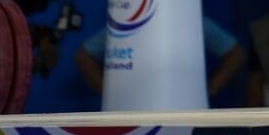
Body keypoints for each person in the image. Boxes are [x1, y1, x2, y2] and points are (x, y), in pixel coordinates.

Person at [74, 16, 245, 101]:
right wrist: (112, 96)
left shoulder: (191, 20)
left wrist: (210, 89)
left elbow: (235, 54)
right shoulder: (130, 22)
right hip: (134, 113)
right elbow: (84, 57)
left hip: (183, 112)